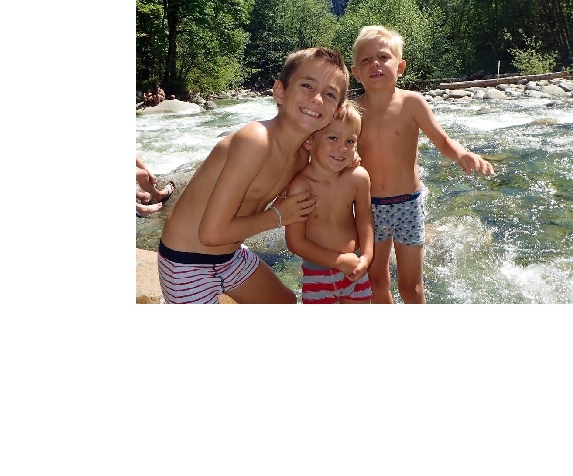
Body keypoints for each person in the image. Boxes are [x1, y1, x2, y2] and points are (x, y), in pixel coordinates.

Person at [157, 46, 349, 304]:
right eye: (307, 85)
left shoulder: (302, 155)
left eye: (329, 94)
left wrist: (349, 158)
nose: (317, 99)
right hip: (185, 263)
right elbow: (211, 234)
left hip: (230, 257)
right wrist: (279, 216)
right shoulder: (256, 140)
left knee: (285, 303)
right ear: (280, 92)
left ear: (336, 111)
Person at [352, 25, 495, 304]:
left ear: (400, 67)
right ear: (356, 72)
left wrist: (462, 154)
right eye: (366, 60)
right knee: (376, 280)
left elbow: (443, 140)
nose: (375, 64)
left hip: (408, 204)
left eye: (383, 57)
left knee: (411, 286)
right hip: (369, 207)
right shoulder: (353, 110)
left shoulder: (412, 103)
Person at [285, 102, 374, 304]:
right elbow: (295, 242)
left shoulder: (358, 178)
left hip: (355, 266)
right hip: (317, 273)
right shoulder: (301, 187)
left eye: (350, 141)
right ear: (309, 140)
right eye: (333, 138)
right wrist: (338, 261)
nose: (342, 148)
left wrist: (367, 257)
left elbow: (365, 219)